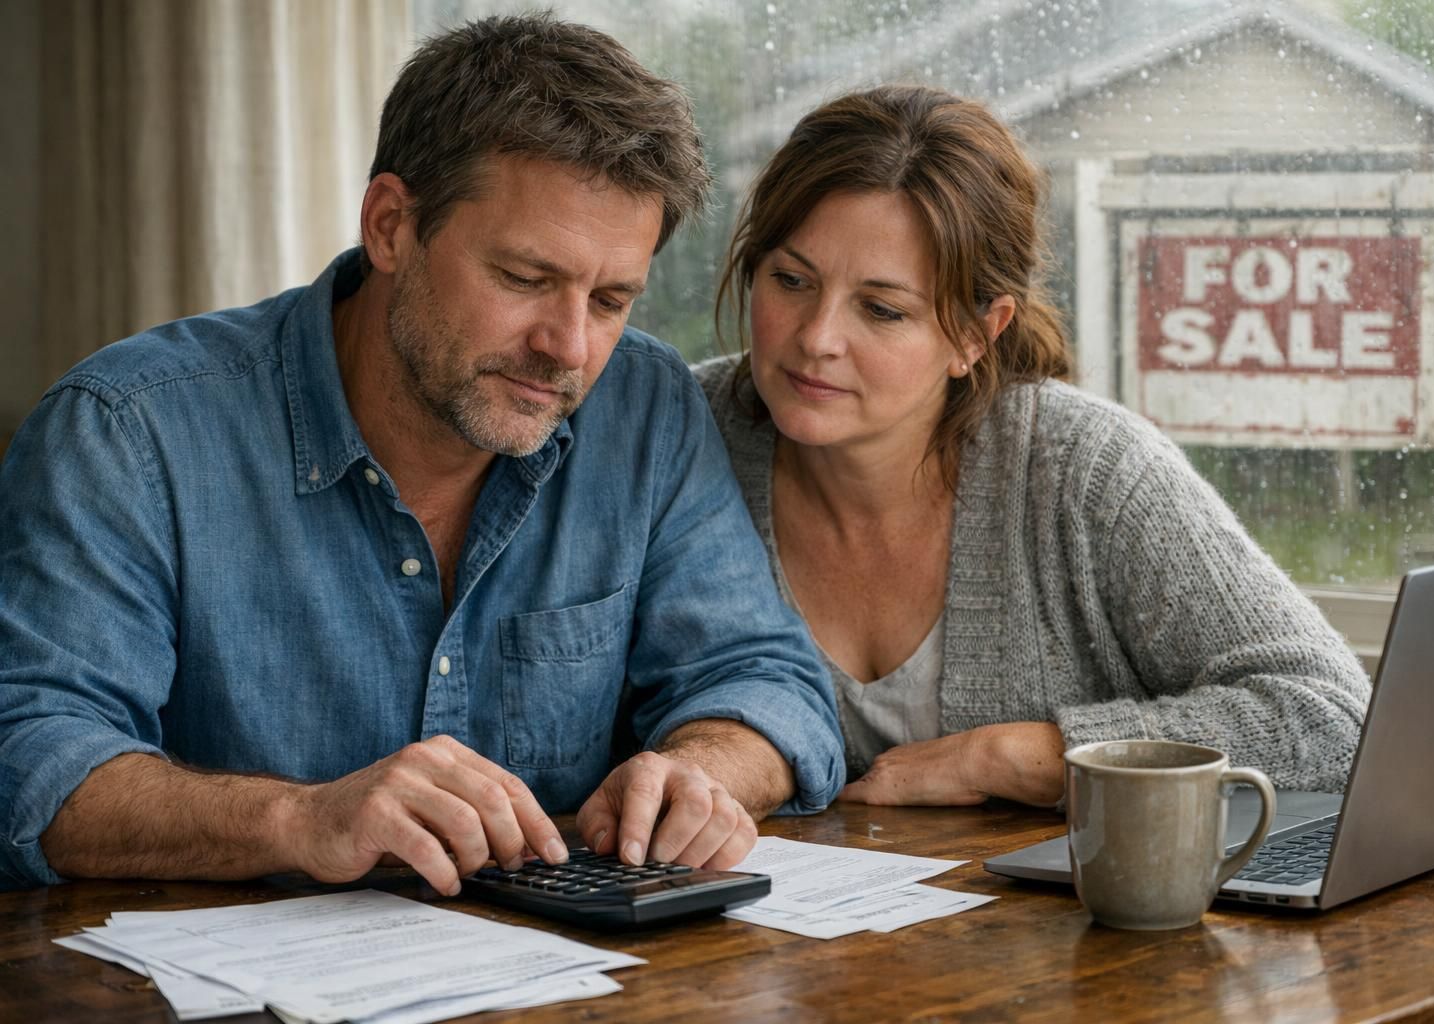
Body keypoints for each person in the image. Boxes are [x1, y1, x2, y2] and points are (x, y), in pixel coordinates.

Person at [0, 14, 844, 894]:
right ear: (391, 226)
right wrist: (303, 818)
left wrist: (704, 771)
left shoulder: (645, 406)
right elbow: (31, 759)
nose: (569, 347)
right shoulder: (126, 431)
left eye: (611, 299)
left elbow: (765, 680)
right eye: (524, 279)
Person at [695, 85, 1369, 808]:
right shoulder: (680, 432)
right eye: (791, 280)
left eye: (883, 309)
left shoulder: (1087, 470)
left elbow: (1334, 717)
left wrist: (1018, 755)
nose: (816, 339)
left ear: (976, 334)